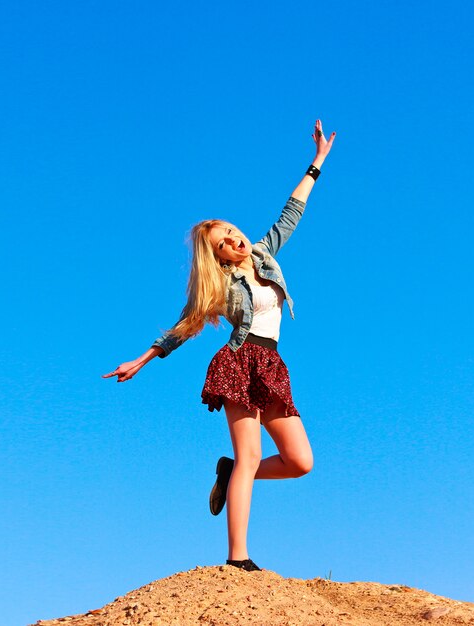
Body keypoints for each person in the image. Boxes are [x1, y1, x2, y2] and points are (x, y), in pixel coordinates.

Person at [103, 119, 336, 572]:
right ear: (219, 257)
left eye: (231, 230)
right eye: (223, 243)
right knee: (251, 453)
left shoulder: (266, 252)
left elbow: (292, 211)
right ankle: (237, 557)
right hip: (239, 363)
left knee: (299, 461)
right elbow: (185, 326)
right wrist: (144, 359)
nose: (234, 239)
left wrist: (317, 162)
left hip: (272, 365)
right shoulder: (221, 288)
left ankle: (231, 472)